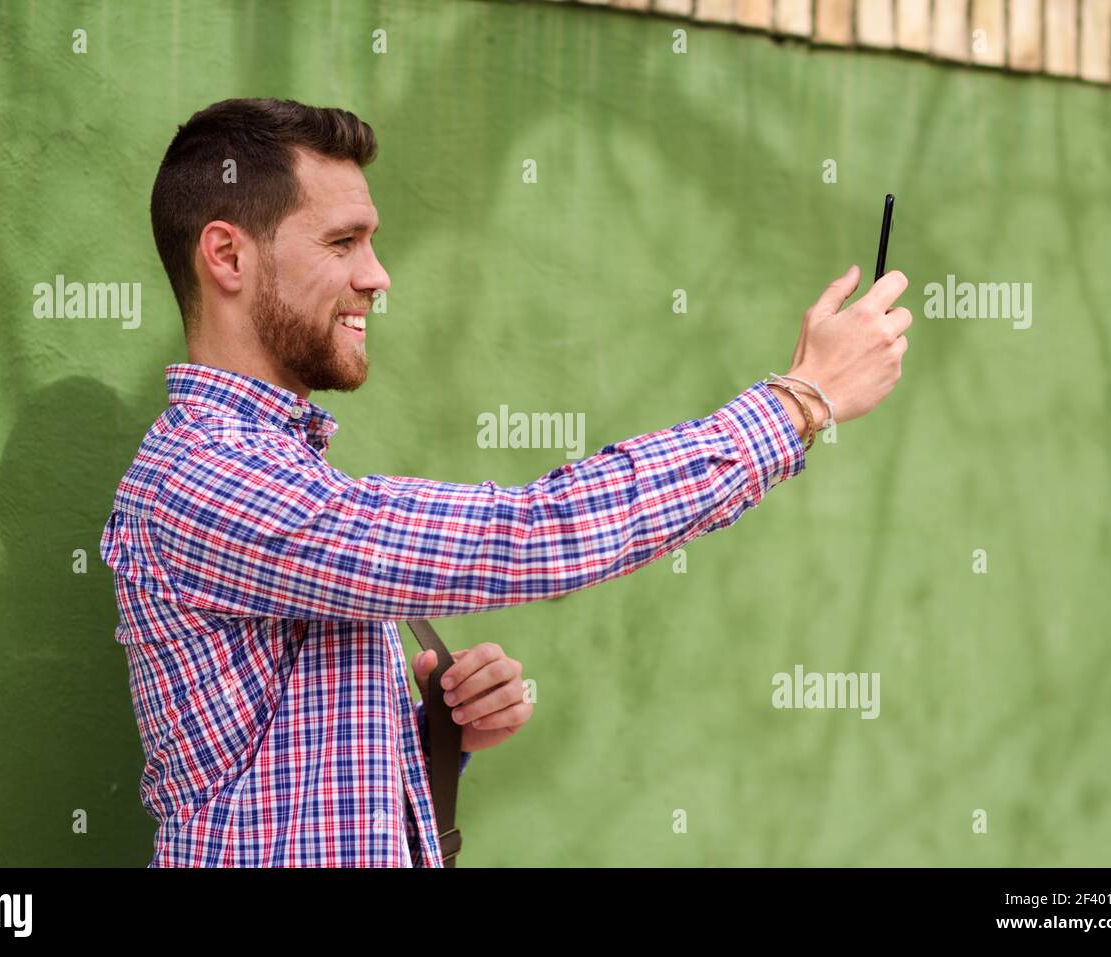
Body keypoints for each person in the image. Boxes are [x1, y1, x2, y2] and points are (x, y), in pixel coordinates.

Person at [100, 97, 912, 868]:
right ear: (228, 255)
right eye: (343, 243)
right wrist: (803, 401)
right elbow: (531, 533)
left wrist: (430, 730)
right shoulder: (207, 475)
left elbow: (283, 795)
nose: (378, 276)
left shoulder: (275, 469)